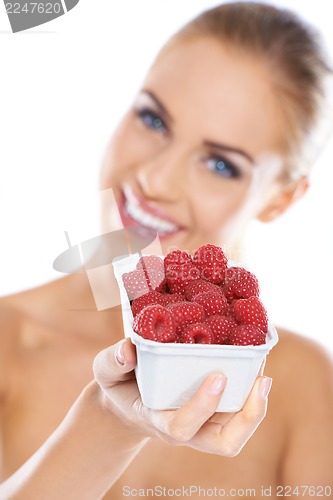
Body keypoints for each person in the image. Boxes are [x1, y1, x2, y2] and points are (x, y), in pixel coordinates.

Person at [1, 1, 333, 498]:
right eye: (153, 120)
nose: (154, 180)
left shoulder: (308, 389)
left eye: (220, 164)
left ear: (282, 197)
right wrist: (111, 419)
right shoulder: (8, 345)